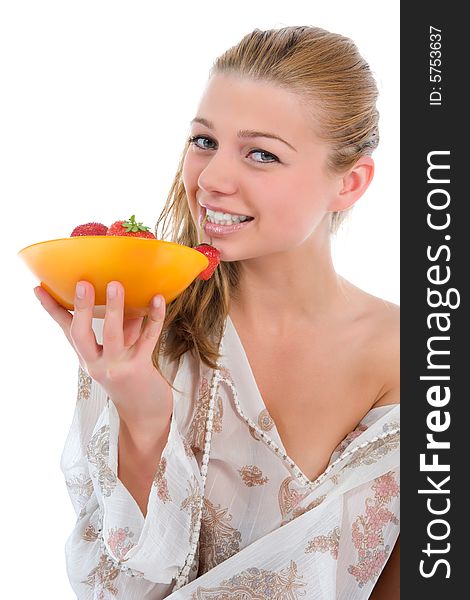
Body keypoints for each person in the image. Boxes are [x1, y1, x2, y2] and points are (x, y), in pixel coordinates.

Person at [35, 25, 399, 599]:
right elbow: (118, 588)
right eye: (205, 141)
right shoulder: (145, 327)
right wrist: (143, 413)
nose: (210, 179)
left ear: (350, 183)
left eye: (261, 153)